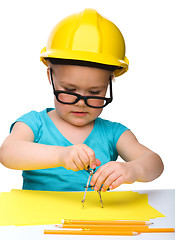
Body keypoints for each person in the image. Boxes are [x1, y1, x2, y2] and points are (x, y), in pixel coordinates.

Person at [0, 9, 164, 192]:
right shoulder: (34, 123)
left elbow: (155, 163)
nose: (81, 102)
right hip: (39, 221)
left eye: (94, 92)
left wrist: (132, 169)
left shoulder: (113, 133)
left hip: (93, 220)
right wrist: (61, 155)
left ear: (108, 84)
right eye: (70, 90)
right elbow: (7, 153)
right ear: (50, 78)